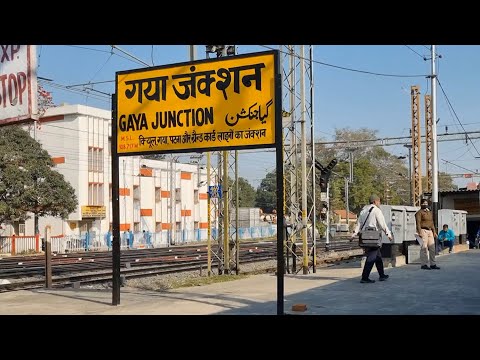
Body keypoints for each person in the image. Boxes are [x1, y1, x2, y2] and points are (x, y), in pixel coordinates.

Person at [350, 194, 393, 283]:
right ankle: (365, 277)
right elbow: (382, 224)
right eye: (379, 201)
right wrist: (388, 234)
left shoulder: (363, 210)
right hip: (374, 236)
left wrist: (354, 234)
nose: (379, 203)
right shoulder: (377, 210)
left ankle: (382, 275)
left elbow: (359, 224)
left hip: (365, 236)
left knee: (378, 256)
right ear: (374, 201)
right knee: (372, 257)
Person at [415, 198, 440, 270]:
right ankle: (424, 264)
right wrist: (419, 232)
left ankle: (433, 264)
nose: (425, 205)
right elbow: (418, 223)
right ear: (421, 204)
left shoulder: (429, 212)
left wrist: (434, 231)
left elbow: (432, 223)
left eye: (426, 203)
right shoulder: (419, 213)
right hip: (423, 230)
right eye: (424, 203)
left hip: (430, 231)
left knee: (432, 248)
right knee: (424, 248)